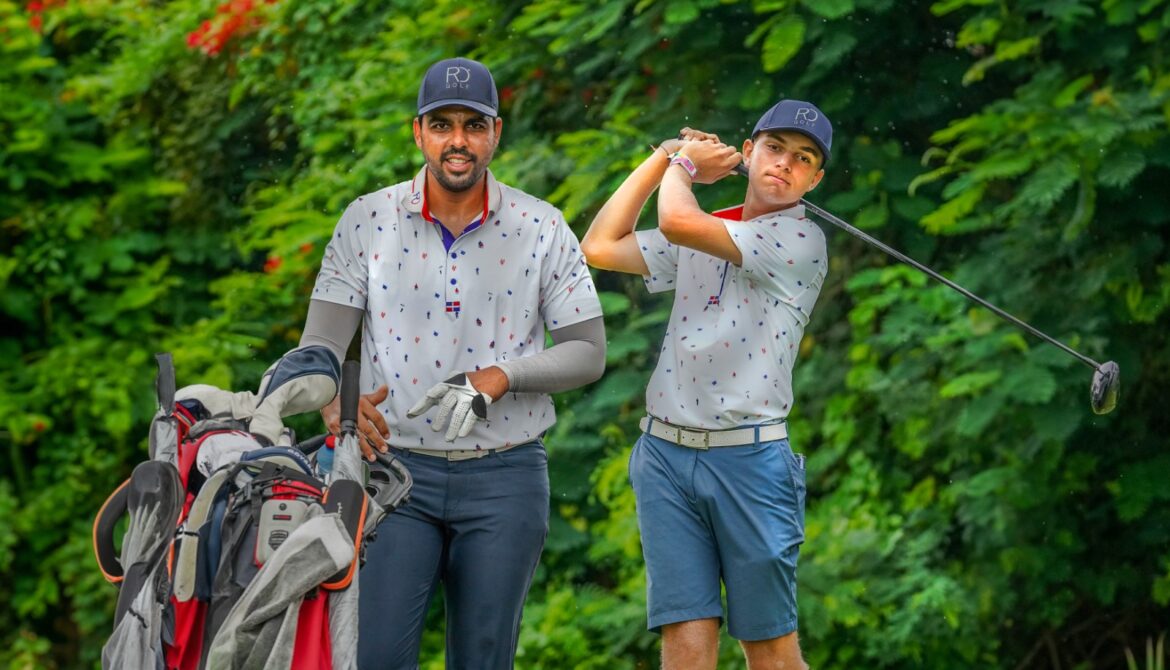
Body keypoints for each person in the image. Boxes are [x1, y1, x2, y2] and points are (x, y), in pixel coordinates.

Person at [297, 57, 606, 669]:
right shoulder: (368, 219)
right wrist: (333, 398)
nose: (457, 140)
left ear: (495, 133)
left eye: (473, 124)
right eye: (442, 124)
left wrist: (502, 376)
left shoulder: (542, 226)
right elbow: (319, 348)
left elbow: (588, 352)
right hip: (392, 475)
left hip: (506, 477)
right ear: (419, 133)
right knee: (375, 657)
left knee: (485, 658)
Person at [580, 99, 834, 670]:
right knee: (686, 644)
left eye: (803, 159)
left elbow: (676, 219)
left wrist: (686, 169)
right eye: (774, 149)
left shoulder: (802, 243)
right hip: (666, 457)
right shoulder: (709, 228)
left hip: (749, 460)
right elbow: (598, 245)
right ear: (747, 154)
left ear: (814, 179)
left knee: (769, 650)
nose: (784, 165)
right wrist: (665, 157)